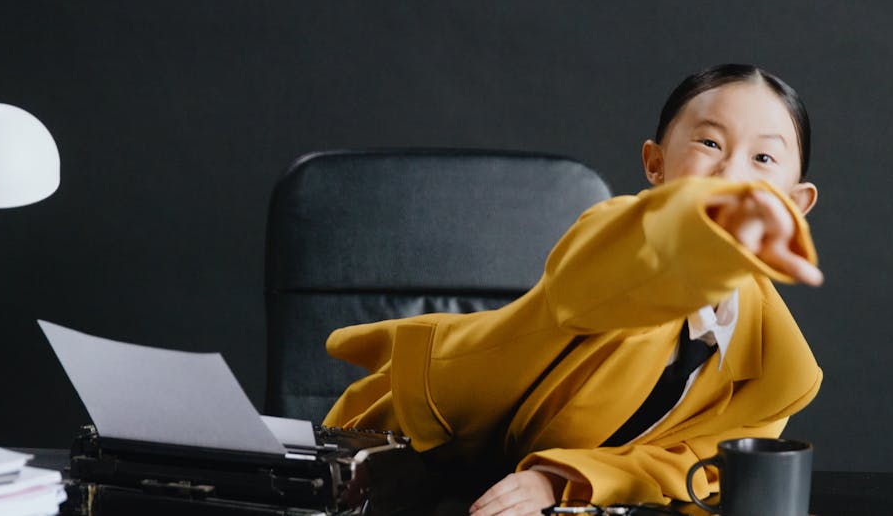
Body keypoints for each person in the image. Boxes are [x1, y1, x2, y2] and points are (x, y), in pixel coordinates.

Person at [323, 64, 823, 513]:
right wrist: (694, 225)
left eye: (763, 157)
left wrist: (560, 479)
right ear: (655, 164)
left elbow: (691, 464)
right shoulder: (617, 240)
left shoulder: (782, 373)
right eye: (709, 143)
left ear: (796, 205)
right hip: (401, 449)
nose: (731, 173)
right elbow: (618, 273)